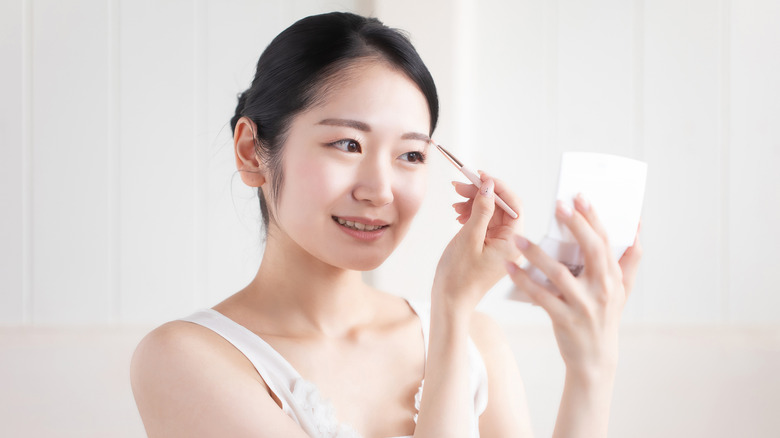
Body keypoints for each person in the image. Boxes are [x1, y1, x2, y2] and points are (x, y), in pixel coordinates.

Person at [130, 11, 642, 438]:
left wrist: (591, 369)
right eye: (347, 144)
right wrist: (449, 310)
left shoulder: (478, 342)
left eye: (410, 155)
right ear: (251, 152)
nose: (379, 190)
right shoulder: (183, 361)